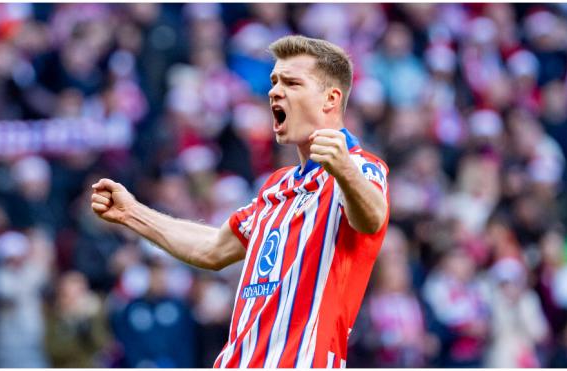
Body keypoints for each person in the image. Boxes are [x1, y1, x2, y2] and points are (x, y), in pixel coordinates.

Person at [90, 35, 390, 368]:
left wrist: (344, 169)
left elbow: (372, 218)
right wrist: (132, 213)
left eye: (292, 83)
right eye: (274, 81)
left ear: (330, 100)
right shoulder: (277, 186)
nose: (275, 91)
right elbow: (213, 249)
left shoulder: (360, 167)